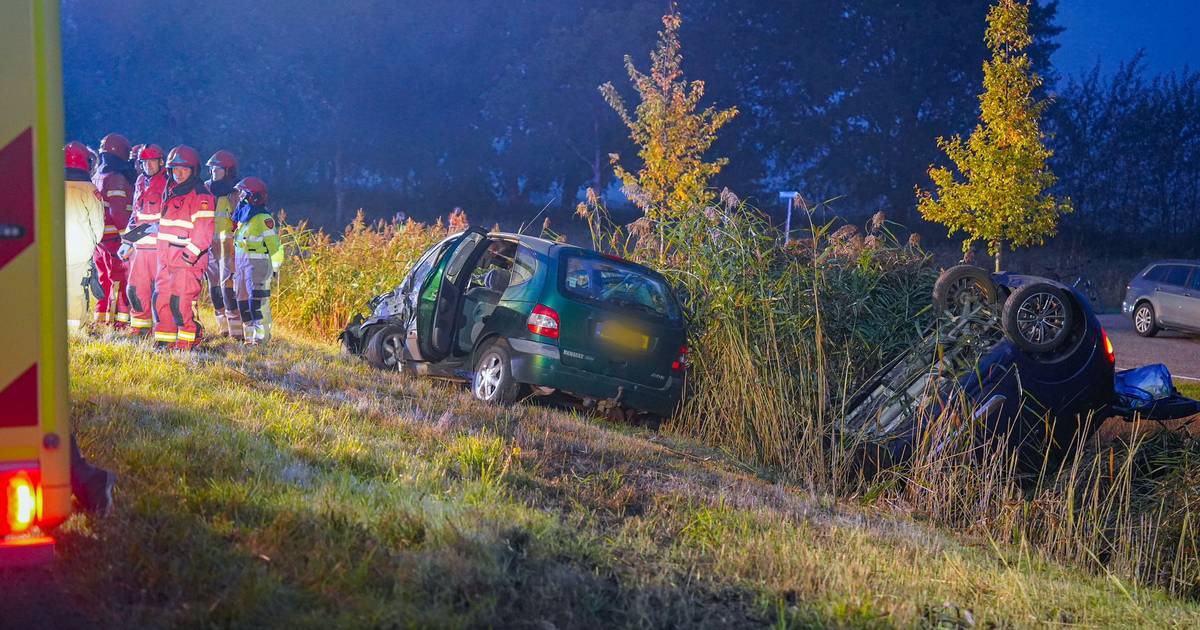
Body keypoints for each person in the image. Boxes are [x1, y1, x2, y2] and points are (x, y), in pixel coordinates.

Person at [153, 145, 216, 350]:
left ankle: (188, 341)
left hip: (186, 263)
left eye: (184, 169)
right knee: (161, 300)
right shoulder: (171, 190)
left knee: (181, 303)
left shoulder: (201, 195)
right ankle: (165, 340)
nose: (178, 174)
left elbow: (203, 233)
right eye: (174, 169)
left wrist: (188, 258)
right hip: (165, 259)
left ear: (193, 170)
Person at [90, 133, 136, 329]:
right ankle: (117, 321)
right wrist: (128, 239)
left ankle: (101, 318)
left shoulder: (97, 176)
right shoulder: (116, 178)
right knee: (120, 279)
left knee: (104, 280)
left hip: (99, 239)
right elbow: (118, 212)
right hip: (115, 240)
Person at [122, 144, 168, 337]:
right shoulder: (140, 181)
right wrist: (127, 240)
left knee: (161, 292)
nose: (148, 165)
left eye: (152, 161)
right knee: (135, 289)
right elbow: (135, 213)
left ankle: (162, 329)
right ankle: (140, 328)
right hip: (140, 247)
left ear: (161, 162)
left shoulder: (169, 182)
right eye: (144, 162)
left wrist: (159, 226)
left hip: (160, 247)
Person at [231, 177, 283, 345]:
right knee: (242, 302)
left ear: (253, 196)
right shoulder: (244, 217)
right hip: (242, 264)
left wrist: (275, 269)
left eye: (243, 194)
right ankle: (249, 339)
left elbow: (275, 247)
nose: (240, 197)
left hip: (257, 265)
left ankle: (261, 340)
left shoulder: (263, 219)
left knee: (257, 303)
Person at [63, 141, 105, 327]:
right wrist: (92, 243)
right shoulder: (90, 190)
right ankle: (73, 332)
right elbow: (98, 225)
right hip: (80, 250)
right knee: (76, 291)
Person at [204, 150, 242, 339]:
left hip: (228, 244)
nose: (213, 171)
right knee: (214, 286)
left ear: (227, 171)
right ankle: (223, 328)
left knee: (228, 285)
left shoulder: (236, 194)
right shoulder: (205, 189)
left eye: (217, 168)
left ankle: (237, 330)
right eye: (211, 168)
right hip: (207, 243)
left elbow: (241, 221)